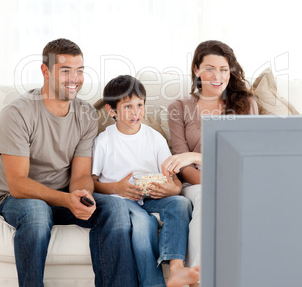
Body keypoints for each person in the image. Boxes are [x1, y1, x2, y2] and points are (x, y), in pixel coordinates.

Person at [0, 38, 139, 287]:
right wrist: (66, 200)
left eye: (80, 71)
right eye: (65, 71)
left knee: (115, 209)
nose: (75, 78)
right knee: (37, 212)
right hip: (18, 199)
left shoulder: (85, 114)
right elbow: (18, 184)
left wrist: (81, 196)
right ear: (45, 71)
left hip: (64, 194)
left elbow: (81, 175)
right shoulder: (17, 113)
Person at [162, 40, 259, 287]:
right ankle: (198, 277)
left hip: (236, 178)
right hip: (197, 182)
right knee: (208, 195)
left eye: (224, 69)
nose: (218, 76)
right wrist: (213, 179)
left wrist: (198, 158)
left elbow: (247, 157)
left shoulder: (245, 104)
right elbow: (181, 164)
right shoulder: (179, 108)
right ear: (196, 69)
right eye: (210, 68)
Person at [92, 75, 200, 287]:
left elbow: (174, 180)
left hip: (150, 196)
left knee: (182, 203)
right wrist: (117, 188)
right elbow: (91, 181)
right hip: (120, 199)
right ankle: (153, 284)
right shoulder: (104, 141)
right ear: (111, 110)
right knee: (143, 225)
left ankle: (176, 267)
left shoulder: (154, 137)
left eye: (140, 105)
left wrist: (172, 190)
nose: (136, 112)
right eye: (128, 106)